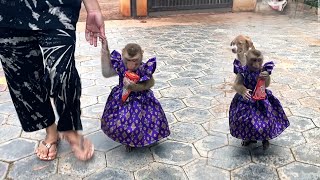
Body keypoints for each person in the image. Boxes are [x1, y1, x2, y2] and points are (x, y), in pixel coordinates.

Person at [0, 0, 106, 161]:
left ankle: (70, 129)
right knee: (22, 77)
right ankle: (51, 130)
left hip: (58, 6)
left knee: (62, 73)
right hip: (7, 10)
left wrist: (92, 7)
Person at [100, 40, 170, 151]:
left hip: (141, 98)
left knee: (147, 119)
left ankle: (149, 137)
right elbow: (106, 72)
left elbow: (150, 83)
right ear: (122, 54)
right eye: (128, 60)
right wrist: (105, 50)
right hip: (122, 97)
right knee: (121, 119)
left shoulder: (143, 69)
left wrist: (135, 87)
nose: (131, 65)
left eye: (135, 61)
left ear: (141, 55)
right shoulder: (120, 65)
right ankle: (128, 140)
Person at [229, 49, 289, 150]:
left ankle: (266, 138)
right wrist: (243, 91)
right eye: (253, 60)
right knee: (245, 120)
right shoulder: (242, 71)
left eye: (259, 61)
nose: (257, 64)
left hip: (261, 98)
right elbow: (237, 84)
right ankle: (248, 137)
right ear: (246, 58)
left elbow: (266, 85)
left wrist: (267, 77)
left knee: (266, 119)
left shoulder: (263, 70)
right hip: (247, 98)